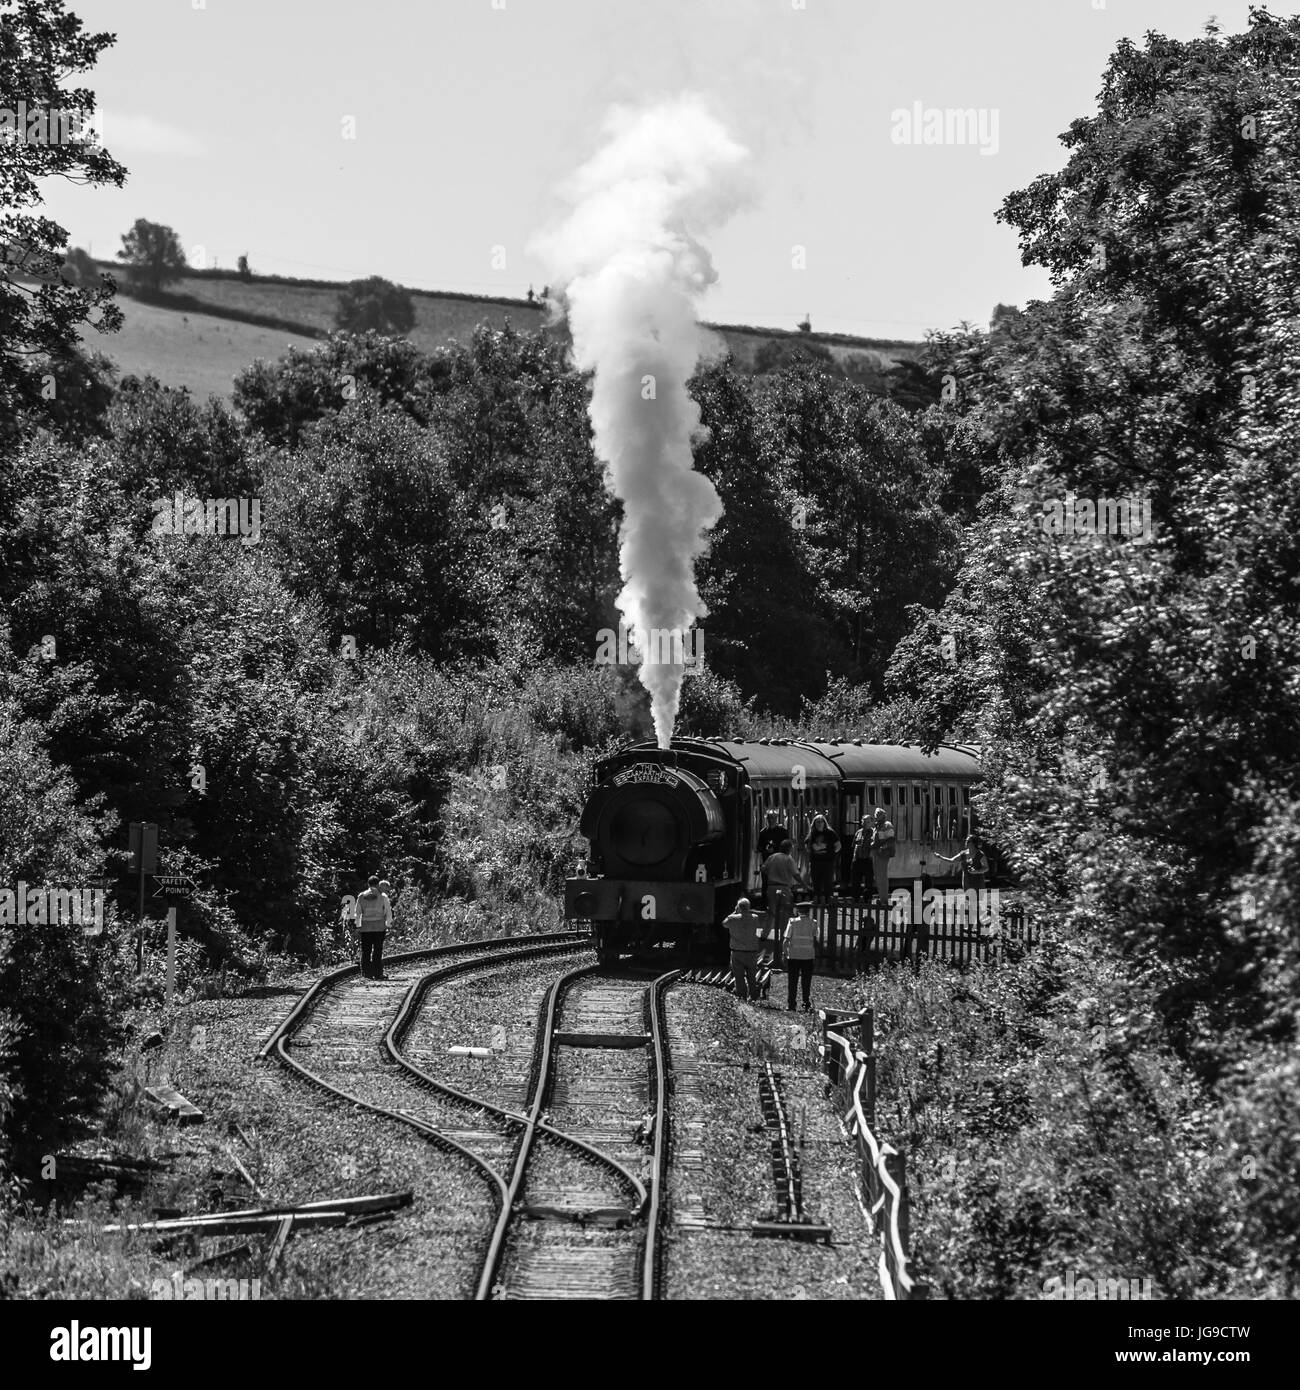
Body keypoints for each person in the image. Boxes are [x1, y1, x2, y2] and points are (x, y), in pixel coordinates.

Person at [763, 838, 809, 968]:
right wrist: (805, 885)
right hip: (784, 888)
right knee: (785, 914)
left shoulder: (772, 857)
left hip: (771, 887)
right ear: (789, 849)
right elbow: (796, 875)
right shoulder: (789, 859)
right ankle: (784, 936)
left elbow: (764, 869)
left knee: (771, 912)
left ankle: (764, 935)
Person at [724, 897, 763, 1005]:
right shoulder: (755, 918)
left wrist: (735, 911)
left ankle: (742, 997)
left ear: (738, 907)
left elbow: (724, 924)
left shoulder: (732, 918)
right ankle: (753, 997)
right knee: (752, 976)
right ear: (749, 907)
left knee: (739, 976)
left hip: (737, 952)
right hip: (752, 951)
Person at [354, 874, 392, 979]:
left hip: (365, 927)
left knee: (366, 950)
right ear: (378, 884)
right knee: (377, 950)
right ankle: (378, 973)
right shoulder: (383, 896)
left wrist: (358, 926)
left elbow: (357, 912)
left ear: (368, 884)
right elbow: (388, 911)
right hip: (379, 927)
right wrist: (388, 924)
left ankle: (366, 973)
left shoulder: (361, 896)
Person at [784, 899, 817, 1012]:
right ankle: (806, 1004)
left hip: (793, 956)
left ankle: (791, 1005)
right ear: (808, 911)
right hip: (808, 956)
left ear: (798, 911)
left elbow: (786, 941)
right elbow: (814, 937)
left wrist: (785, 954)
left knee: (792, 981)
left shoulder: (792, 922)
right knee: (806, 981)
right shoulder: (814, 922)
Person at [804, 813, 841, 902]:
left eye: (821, 822)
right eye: (817, 822)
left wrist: (831, 854)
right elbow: (807, 846)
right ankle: (817, 898)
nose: (819, 824)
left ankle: (829, 899)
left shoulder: (830, 833)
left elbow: (838, 846)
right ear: (814, 824)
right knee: (816, 881)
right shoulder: (812, 834)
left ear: (824, 823)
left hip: (828, 862)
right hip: (815, 862)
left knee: (828, 881)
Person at [757, 809, 787, 905]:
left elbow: (787, 845)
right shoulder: (763, 832)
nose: (771, 820)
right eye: (769, 818)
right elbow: (759, 847)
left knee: (779, 883)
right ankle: (764, 903)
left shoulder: (782, 831)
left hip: (779, 862)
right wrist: (765, 849)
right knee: (766, 884)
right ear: (767, 819)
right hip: (767, 862)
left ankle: (780, 903)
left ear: (776, 819)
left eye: (773, 818)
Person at [869, 808, 896, 904]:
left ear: (883, 815)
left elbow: (891, 839)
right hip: (877, 853)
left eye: (878, 814)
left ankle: (884, 899)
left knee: (882, 877)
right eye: (876, 814)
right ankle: (881, 898)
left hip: (882, 854)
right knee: (878, 877)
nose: (876, 816)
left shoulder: (887, 825)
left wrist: (882, 848)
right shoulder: (877, 826)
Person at [851, 821, 873, 898]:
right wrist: (854, 857)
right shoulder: (858, 832)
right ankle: (856, 897)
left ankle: (867, 898)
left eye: (867, 822)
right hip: (858, 859)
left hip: (868, 860)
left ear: (871, 823)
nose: (865, 824)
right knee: (856, 880)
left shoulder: (873, 833)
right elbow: (854, 845)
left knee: (868, 881)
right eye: (864, 822)